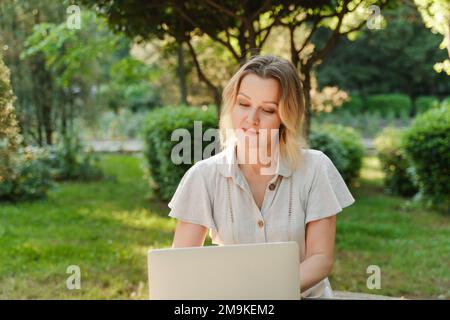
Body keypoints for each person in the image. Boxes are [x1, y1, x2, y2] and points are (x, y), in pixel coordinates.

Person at [167, 55, 355, 298]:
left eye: (267, 110)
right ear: (231, 105)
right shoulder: (203, 177)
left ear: (285, 117)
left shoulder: (315, 167)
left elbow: (320, 259)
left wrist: (266, 294)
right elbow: (180, 265)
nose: (251, 120)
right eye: (244, 104)